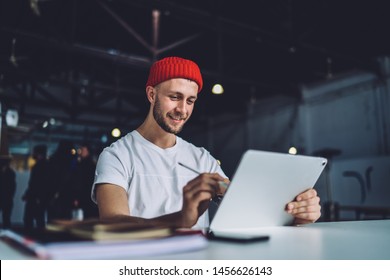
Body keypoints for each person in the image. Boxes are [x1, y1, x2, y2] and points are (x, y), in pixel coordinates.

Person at [92, 56, 321, 229]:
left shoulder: (202, 160)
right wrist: (180, 220)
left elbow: (241, 205)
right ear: (151, 95)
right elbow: (113, 224)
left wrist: (295, 214)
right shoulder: (117, 155)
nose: (182, 109)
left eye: (190, 100)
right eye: (174, 97)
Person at [22, 145, 51, 229]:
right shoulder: (46, 165)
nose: (33, 154)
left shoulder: (39, 166)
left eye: (34, 152)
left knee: (29, 219)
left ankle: (30, 238)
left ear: (39, 154)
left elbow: (35, 184)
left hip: (35, 197)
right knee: (39, 219)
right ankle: (39, 239)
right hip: (39, 197)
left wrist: (29, 194)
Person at [73, 142, 98, 219]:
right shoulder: (90, 164)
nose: (80, 151)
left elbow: (80, 181)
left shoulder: (86, 164)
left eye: (83, 149)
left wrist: (77, 196)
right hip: (88, 195)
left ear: (88, 151)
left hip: (85, 194)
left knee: (86, 216)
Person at [0, 157, 17, 228]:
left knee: (6, 217)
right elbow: (13, 186)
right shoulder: (11, 172)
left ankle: (6, 231)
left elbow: (12, 186)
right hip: (7, 198)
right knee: (6, 217)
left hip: (6, 198)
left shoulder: (11, 173)